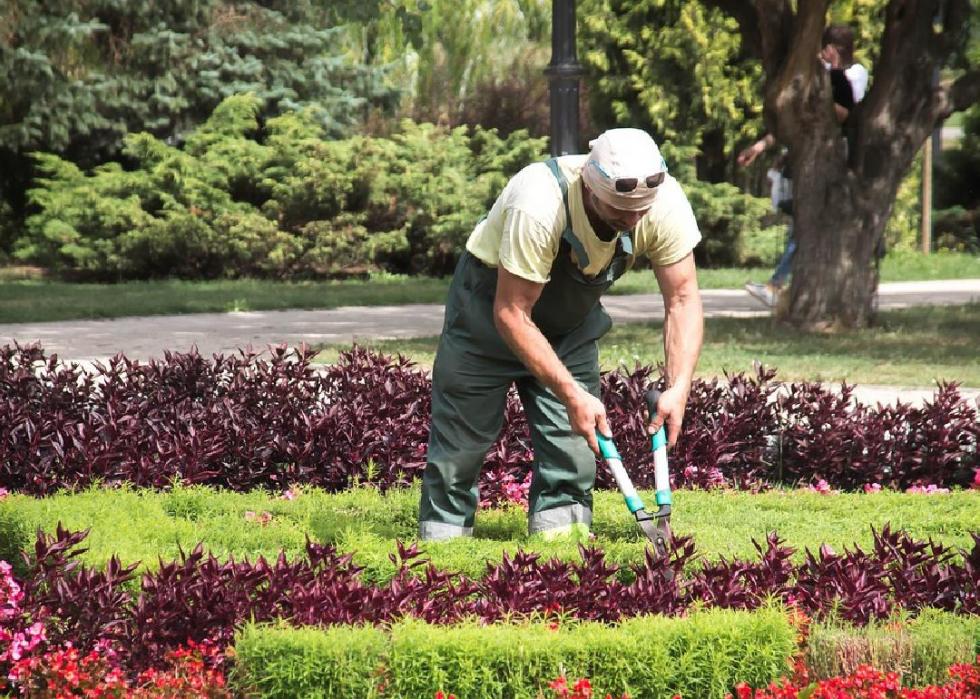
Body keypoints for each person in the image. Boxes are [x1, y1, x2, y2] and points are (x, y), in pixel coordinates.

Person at [418, 128, 704, 541]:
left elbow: (682, 298)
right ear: (590, 187)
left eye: (641, 211)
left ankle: (561, 552)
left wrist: (679, 387)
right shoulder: (539, 202)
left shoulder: (662, 202)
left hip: (569, 327)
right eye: (620, 211)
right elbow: (512, 312)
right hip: (488, 318)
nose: (633, 220)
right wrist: (571, 393)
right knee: (460, 448)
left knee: (573, 450)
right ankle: (443, 552)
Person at [741, 24, 867, 308]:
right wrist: (760, 147)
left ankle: (777, 285)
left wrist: (827, 79)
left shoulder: (851, 76)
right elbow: (797, 121)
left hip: (836, 157)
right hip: (811, 160)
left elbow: (844, 113)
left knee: (807, 226)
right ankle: (781, 286)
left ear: (833, 49)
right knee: (803, 222)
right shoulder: (826, 79)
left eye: (825, 50)